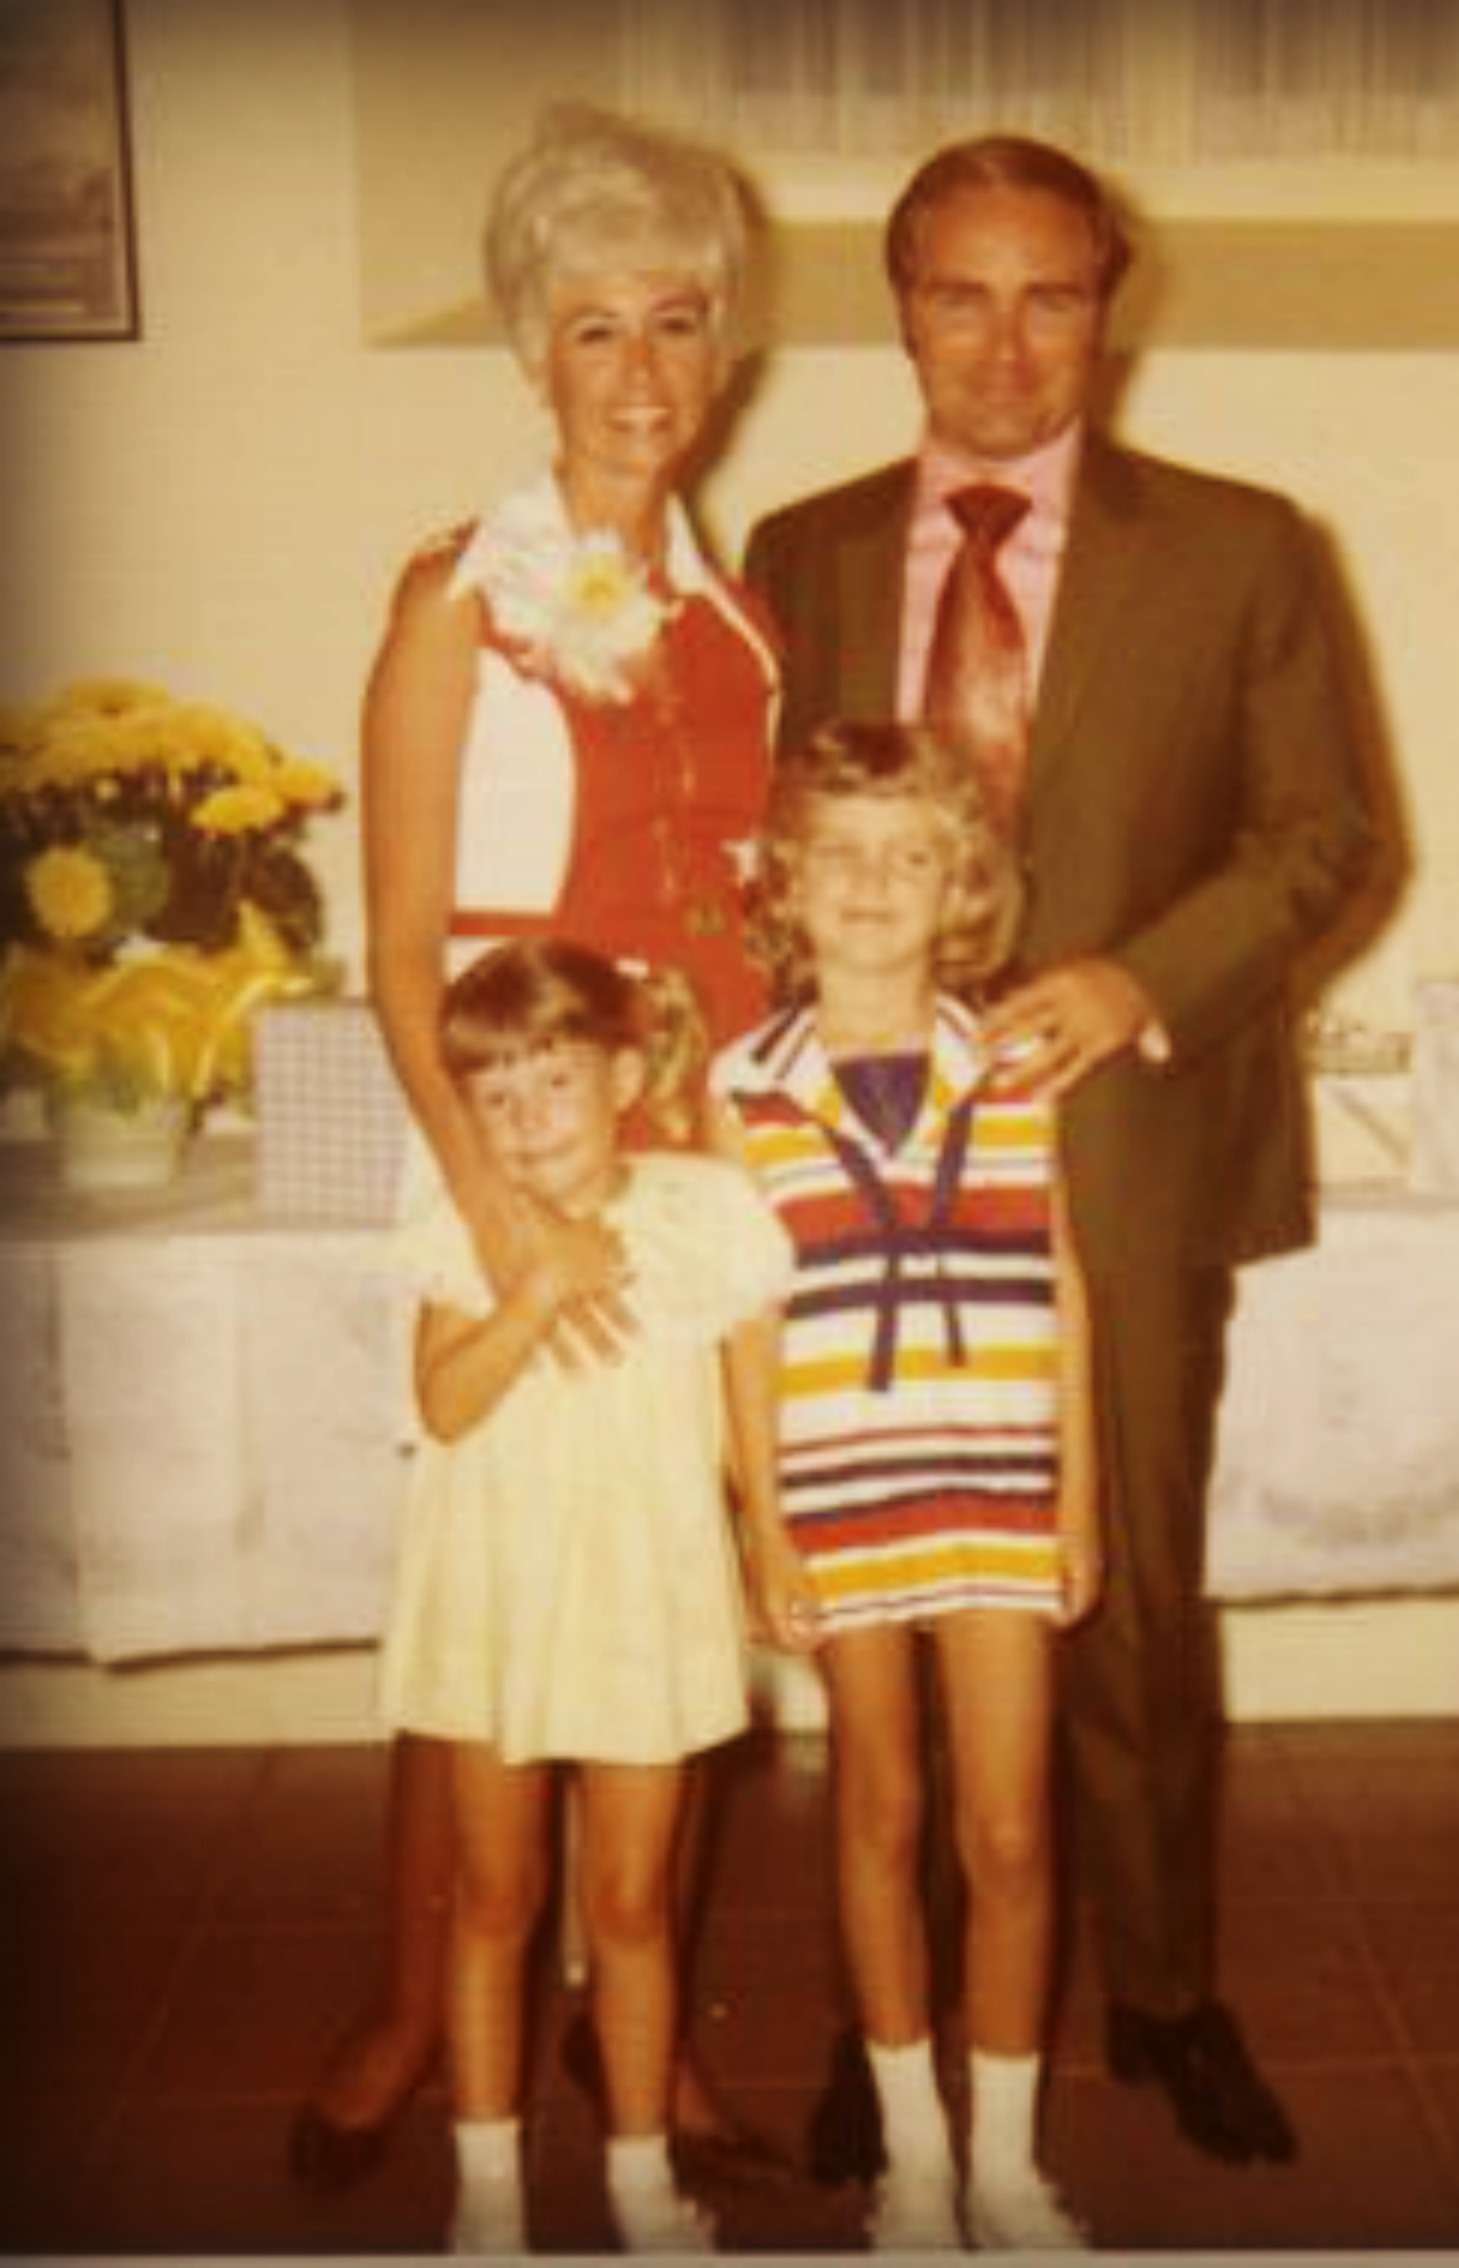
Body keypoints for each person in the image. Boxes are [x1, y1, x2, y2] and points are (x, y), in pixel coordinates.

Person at [743, 134, 1379, 2173]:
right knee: (876, 1608)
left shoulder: (1246, 547)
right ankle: (889, 2026)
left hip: (1116, 1144)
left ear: (1112, 302)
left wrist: (1133, 979)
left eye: (1054, 297)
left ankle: (1166, 1991)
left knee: (1122, 1595)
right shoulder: (804, 545)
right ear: (898, 304)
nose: (1008, 346)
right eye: (959, 295)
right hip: (847, 1170)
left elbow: (1323, 836)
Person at [293, 103, 780, 2190]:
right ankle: (424, 2006)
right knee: (494, 1582)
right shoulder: (451, 599)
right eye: (598, 330)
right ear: (531, 349)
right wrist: (492, 1202)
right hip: (504, 1131)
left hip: (680, 1163)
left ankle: (629, 2049)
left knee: (650, 1574)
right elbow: (400, 947)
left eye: (681, 325)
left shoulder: (734, 612)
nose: (644, 375)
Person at [712, 721, 1101, 2250]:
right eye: (843, 853)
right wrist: (767, 1526)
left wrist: (1081, 1505)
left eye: (912, 854)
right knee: (877, 1806)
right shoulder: (741, 1085)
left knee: (1007, 1832)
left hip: (999, 1481)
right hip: (845, 1490)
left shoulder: (1012, 1060)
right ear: (787, 882)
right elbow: (744, 1328)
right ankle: (916, 2162)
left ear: (963, 888)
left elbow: (1062, 1280)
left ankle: (1007, 2164)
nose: (875, 883)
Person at [380, 939, 793, 2252]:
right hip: (496, 1596)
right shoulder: (466, 1227)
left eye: (551, 1084)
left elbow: (747, 1411)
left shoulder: (703, 1209)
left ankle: (638, 2181)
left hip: (641, 1596)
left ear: (624, 1073)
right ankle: (488, 2200)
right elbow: (443, 1403)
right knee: (495, 1897)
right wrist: (539, 1285)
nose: (523, 1121)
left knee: (629, 1904)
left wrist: (772, 1544)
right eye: (492, 1096)